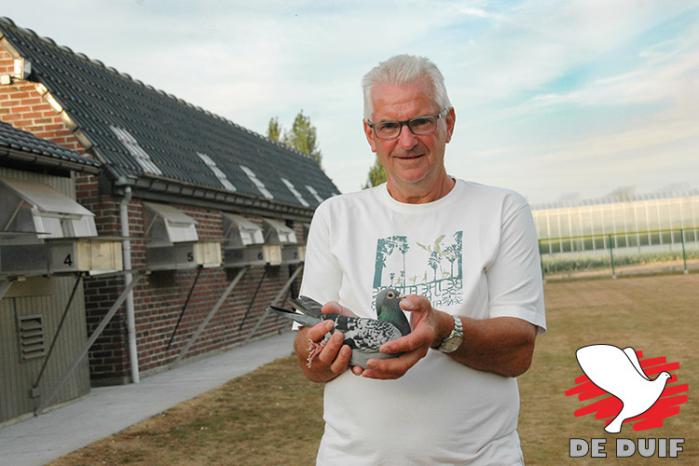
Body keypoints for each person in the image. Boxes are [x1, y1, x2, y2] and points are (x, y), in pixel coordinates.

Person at [294, 54, 546, 465]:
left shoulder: (502, 209)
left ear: (448, 123)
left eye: (421, 122)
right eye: (390, 126)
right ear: (370, 134)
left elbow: (519, 351)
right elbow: (308, 358)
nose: (406, 140)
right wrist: (321, 349)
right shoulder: (335, 216)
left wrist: (444, 330)